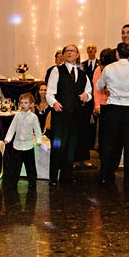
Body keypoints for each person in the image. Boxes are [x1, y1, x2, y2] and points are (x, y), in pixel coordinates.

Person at [96, 42, 129, 188]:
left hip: (113, 109)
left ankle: (107, 176)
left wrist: (109, 87)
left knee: (110, 144)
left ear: (117, 54)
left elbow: (99, 86)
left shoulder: (109, 68)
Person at [46, 44, 92, 185]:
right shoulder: (56, 70)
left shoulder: (83, 74)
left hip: (76, 115)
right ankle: (53, 177)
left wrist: (86, 96)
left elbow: (89, 91)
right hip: (60, 115)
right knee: (58, 146)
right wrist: (53, 103)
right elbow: (50, 92)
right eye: (67, 51)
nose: (69, 53)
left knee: (71, 147)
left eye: (73, 51)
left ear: (78, 55)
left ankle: (67, 175)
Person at [3, 93, 43, 189]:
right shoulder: (17, 116)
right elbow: (12, 128)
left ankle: (32, 182)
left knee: (30, 166)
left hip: (28, 145)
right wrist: (7, 138)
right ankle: (13, 183)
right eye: (21, 103)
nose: (23, 105)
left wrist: (39, 140)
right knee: (15, 166)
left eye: (26, 103)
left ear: (31, 104)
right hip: (17, 146)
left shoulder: (34, 117)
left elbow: (37, 130)